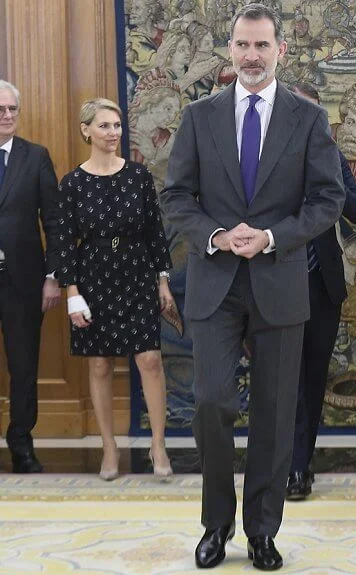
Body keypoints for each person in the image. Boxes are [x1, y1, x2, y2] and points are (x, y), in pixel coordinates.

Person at [160, 3, 345, 570]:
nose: (252, 56)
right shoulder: (199, 117)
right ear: (229, 49)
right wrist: (216, 235)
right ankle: (216, 524)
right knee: (211, 402)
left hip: (280, 281)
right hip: (215, 283)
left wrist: (270, 236)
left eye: (263, 46)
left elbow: (328, 200)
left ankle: (263, 529)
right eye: (243, 45)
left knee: (273, 410)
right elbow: (175, 198)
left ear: (280, 51)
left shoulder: (308, 119)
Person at [55, 98, 174, 482]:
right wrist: (72, 291)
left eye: (117, 126)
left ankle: (158, 444)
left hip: (137, 273)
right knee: (101, 364)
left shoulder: (138, 177)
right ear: (86, 130)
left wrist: (163, 280)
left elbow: (155, 232)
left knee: (150, 360)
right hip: (92, 278)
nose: (113, 133)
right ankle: (109, 446)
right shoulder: (72, 183)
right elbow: (62, 242)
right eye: (104, 126)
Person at [286, 82, 356, 501]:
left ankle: (300, 466)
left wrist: (330, 190)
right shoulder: (266, 157)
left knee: (312, 378)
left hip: (321, 285)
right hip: (274, 285)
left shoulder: (332, 158)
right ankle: (283, 462)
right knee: (284, 380)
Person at [0, 79, 61, 473]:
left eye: (12, 110)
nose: (7, 117)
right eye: (0, 111)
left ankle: (21, 442)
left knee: (23, 367)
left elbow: (54, 222)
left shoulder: (36, 157)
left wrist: (53, 277)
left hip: (23, 283)